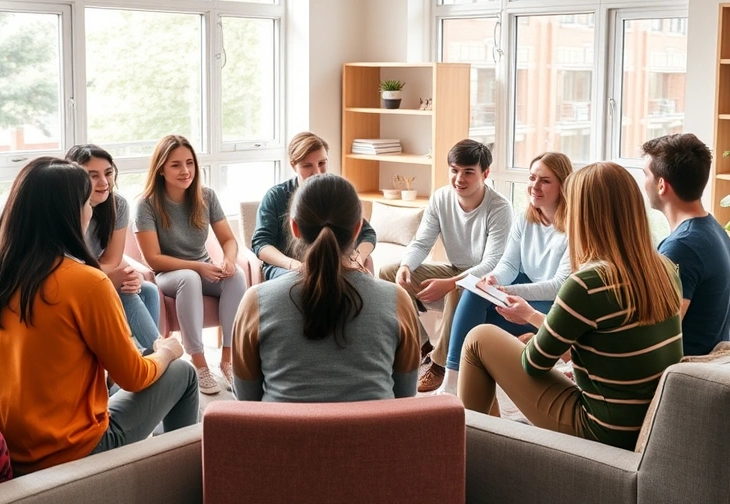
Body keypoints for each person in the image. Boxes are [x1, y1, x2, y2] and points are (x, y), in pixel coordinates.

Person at [0, 157, 198, 476]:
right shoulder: (86, 282)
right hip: (70, 450)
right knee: (181, 373)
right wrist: (167, 351)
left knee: (120, 384)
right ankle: (176, 479)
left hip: (9, 448)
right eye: (87, 202)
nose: (92, 210)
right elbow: (133, 376)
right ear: (71, 213)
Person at [458, 162, 683, 451]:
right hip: (645, 422)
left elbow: (535, 364)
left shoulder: (589, 282)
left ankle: (468, 455)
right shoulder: (664, 268)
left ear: (584, 215)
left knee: (480, 339)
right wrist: (535, 318)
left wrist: (536, 340)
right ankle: (491, 448)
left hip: (601, 430)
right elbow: (611, 343)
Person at [233, 174, 421, 402]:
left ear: (294, 228)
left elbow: (247, 400)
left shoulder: (255, 302)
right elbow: (405, 395)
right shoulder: (397, 300)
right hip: (374, 437)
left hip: (282, 436)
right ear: (357, 229)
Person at [379, 139, 512, 393]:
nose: (459, 178)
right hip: (454, 269)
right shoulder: (441, 198)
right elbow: (421, 243)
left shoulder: (499, 208)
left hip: (486, 282)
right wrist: (407, 265)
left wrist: (450, 283)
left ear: (485, 173)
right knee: (390, 272)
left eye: (468, 172)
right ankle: (417, 343)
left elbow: (492, 263)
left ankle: (440, 365)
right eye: (454, 170)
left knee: (456, 291)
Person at [441, 152, 574, 394]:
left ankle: (466, 386)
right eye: (532, 178)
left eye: (545, 180)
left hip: (552, 305)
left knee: (478, 329)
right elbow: (509, 265)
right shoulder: (525, 218)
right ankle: (451, 380)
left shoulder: (575, 226)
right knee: (474, 294)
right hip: (525, 288)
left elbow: (558, 286)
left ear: (563, 185)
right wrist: (494, 280)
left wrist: (505, 290)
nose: (535, 186)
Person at [134, 135, 248, 395]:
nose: (185, 171)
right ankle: (199, 363)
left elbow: (229, 240)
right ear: (161, 168)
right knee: (189, 277)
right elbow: (153, 259)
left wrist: (228, 261)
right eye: (175, 165)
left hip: (203, 270)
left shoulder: (206, 196)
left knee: (237, 275)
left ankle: (227, 360)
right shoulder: (146, 204)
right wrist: (198, 267)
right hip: (169, 275)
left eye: (189, 163)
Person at [642, 133, 730, 355]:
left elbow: (660, 335)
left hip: (683, 374)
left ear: (662, 185)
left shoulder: (682, 247)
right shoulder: (714, 229)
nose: (643, 183)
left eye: (645, 175)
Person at [66, 144, 162, 351]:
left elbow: (111, 260)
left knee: (149, 290)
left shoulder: (117, 205)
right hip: (70, 283)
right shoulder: (66, 210)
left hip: (96, 274)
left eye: (108, 173)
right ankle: (157, 353)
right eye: (92, 175)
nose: (104, 182)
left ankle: (146, 356)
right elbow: (66, 268)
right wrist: (111, 278)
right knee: (126, 291)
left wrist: (127, 276)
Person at [252, 132, 377, 280]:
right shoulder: (275, 197)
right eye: (307, 166)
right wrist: (293, 264)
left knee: (366, 266)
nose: (317, 172)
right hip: (287, 268)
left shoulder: (335, 191)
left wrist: (357, 258)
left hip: (328, 264)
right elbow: (261, 243)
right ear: (293, 165)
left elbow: (367, 233)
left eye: (322, 163)